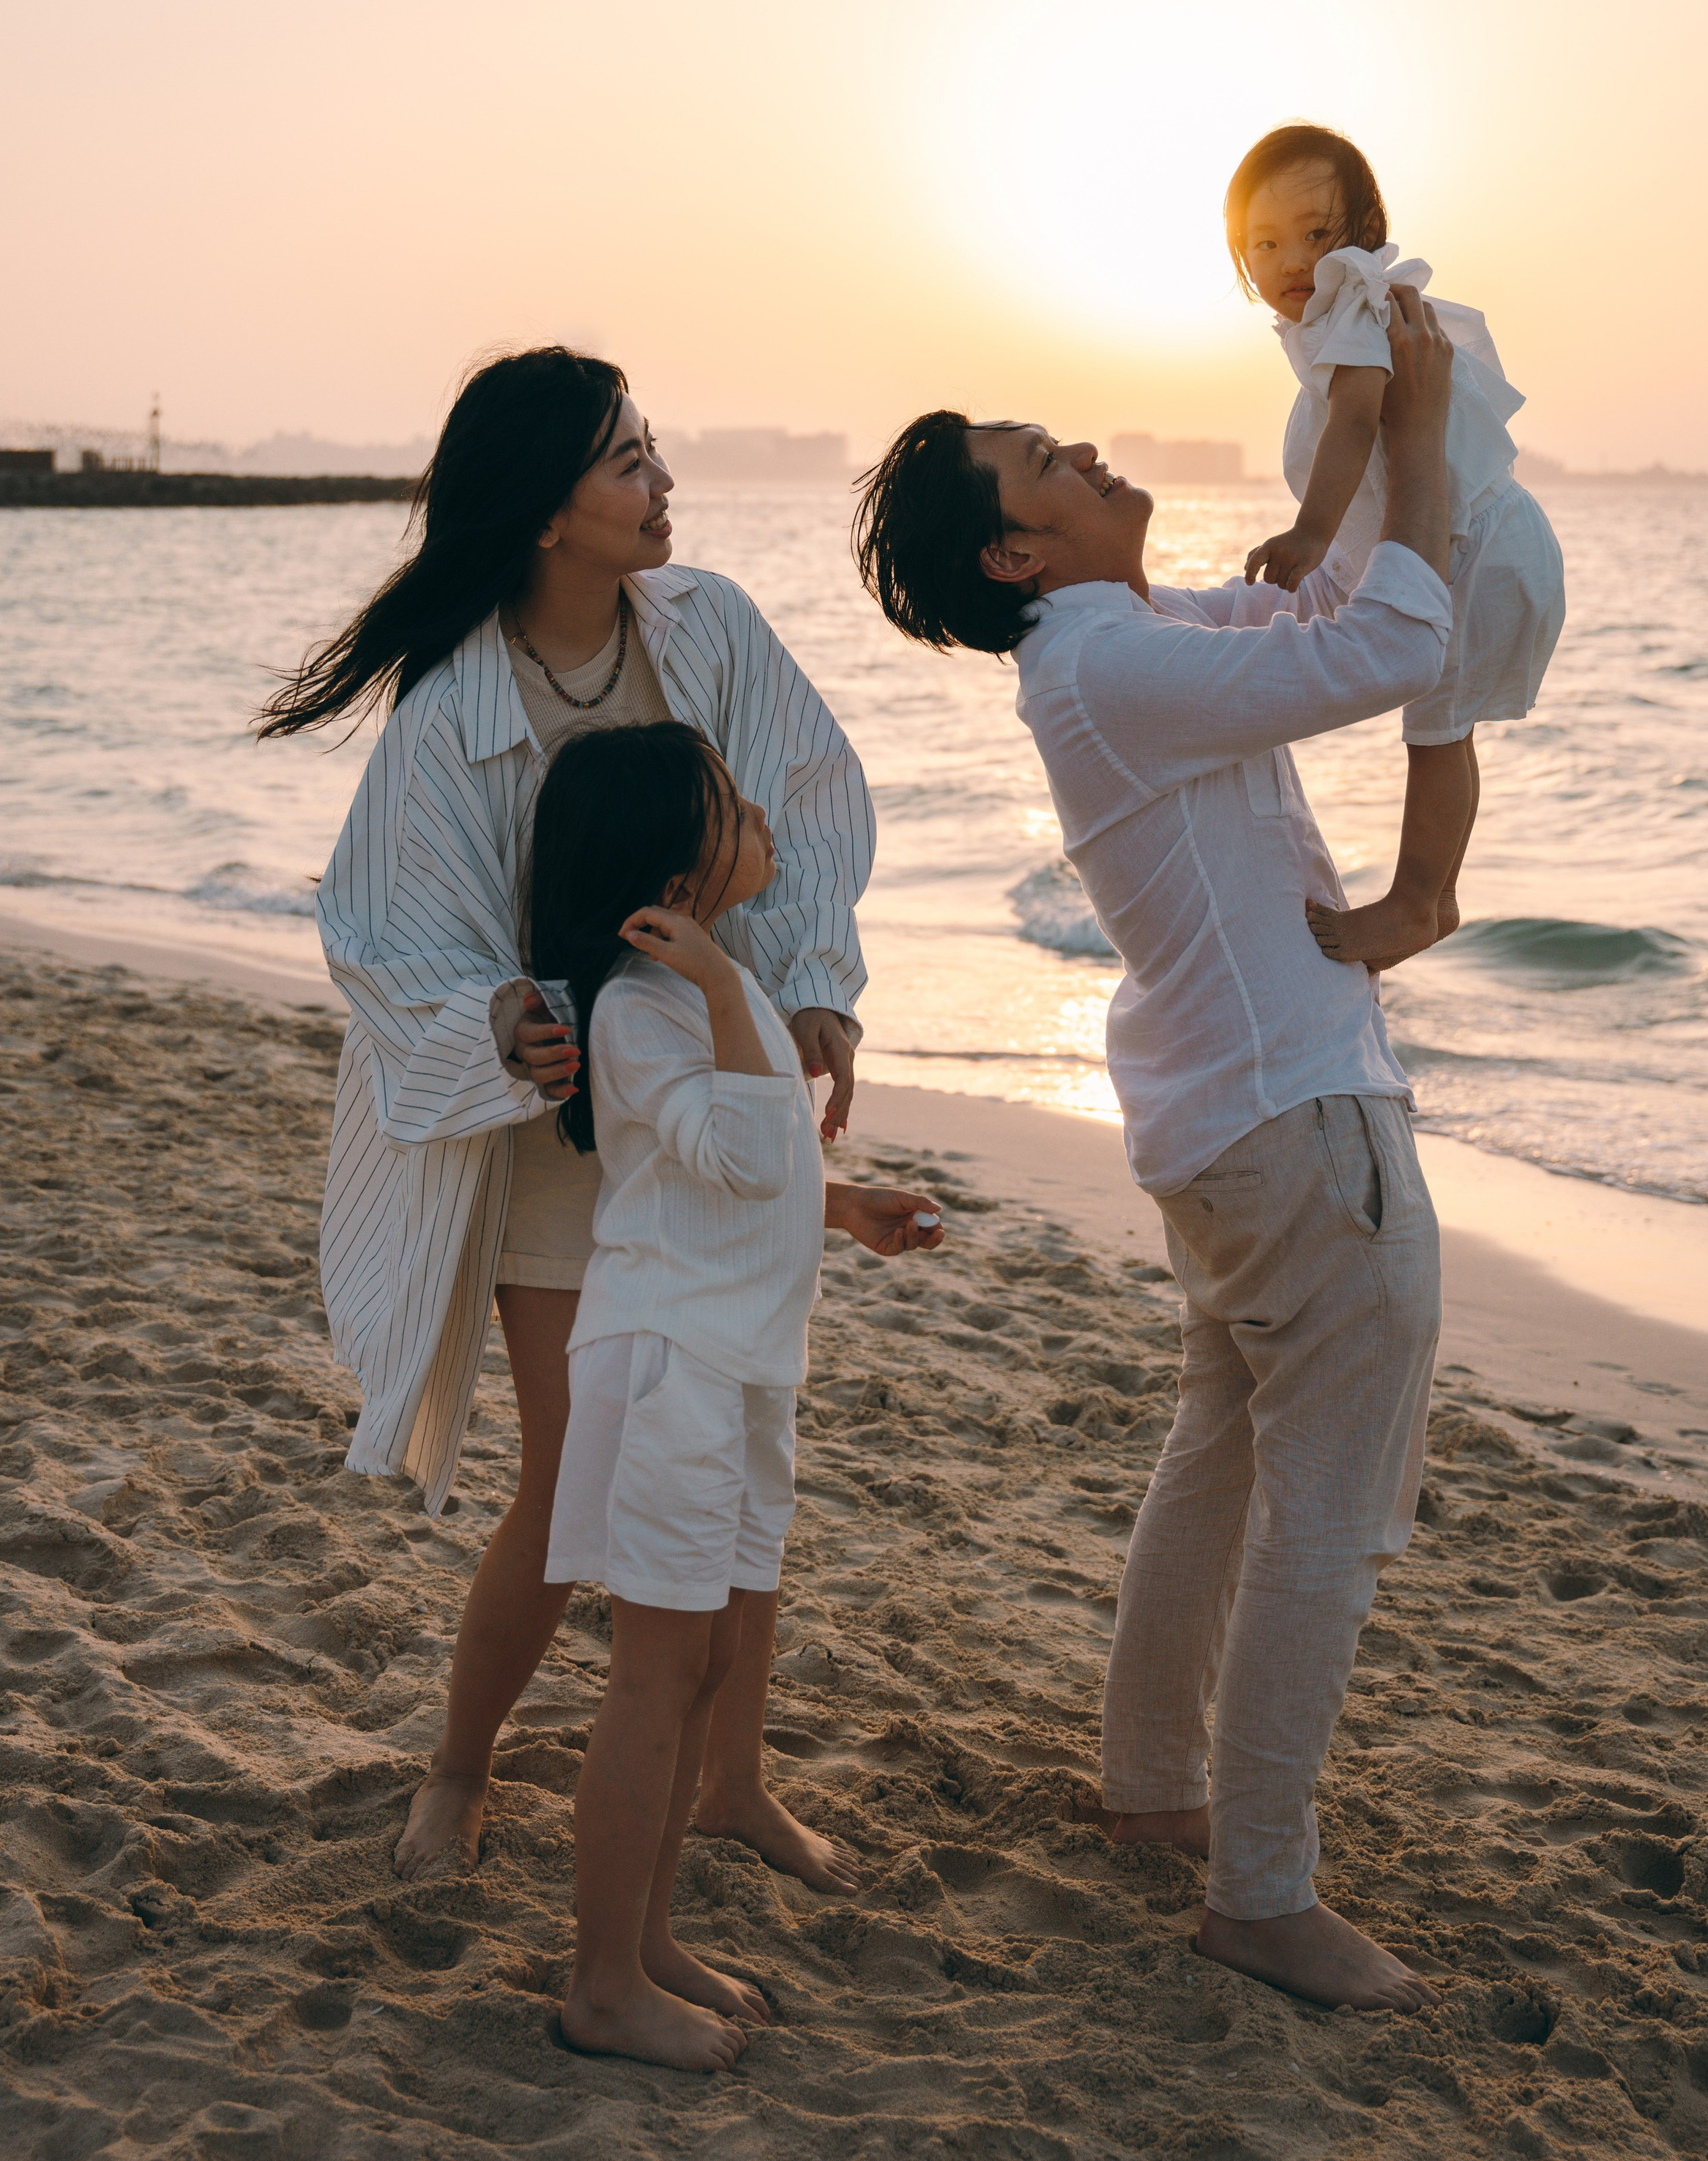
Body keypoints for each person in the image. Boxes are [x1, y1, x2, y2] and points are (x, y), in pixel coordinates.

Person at [851, 283, 1455, 2014]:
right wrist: (1415, 436)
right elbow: (1387, 651)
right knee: (1318, 1510)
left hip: (1227, 1117)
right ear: (1015, 561)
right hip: (1287, 1120)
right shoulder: (1108, 660)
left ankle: (1149, 1788)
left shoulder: (1115, 641)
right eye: (1042, 462)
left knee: (1217, 1447)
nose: (1085, 450)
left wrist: (1351, 420)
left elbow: (1328, 603)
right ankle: (1256, 1893)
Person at [259, 345, 876, 1890]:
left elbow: (798, 803)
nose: (662, 482)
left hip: (714, 1087)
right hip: (557, 1142)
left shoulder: (706, 627)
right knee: (567, 1478)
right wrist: (502, 1021)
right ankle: (454, 1773)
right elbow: (386, 929)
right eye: (627, 462)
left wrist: (809, 987)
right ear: (548, 512)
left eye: (653, 451)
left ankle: (732, 1779)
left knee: (742, 1439)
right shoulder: (453, 702)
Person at [526, 722, 941, 2067]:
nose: (760, 810)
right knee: (654, 1672)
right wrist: (709, 986)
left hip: (740, 1359)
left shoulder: (718, 990)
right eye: (729, 801)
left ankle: (646, 1940)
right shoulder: (640, 1007)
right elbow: (738, 1150)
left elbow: (748, 1172)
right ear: (679, 871)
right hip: (668, 1366)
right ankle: (601, 1980)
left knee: (704, 1658)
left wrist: (849, 1202)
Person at [1226, 122, 1565, 972]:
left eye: (1315, 233)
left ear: (1365, 227)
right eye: (1263, 243)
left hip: (1476, 548)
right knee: (1447, 729)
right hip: (1489, 542)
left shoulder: (1356, 302)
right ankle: (1435, 895)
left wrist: (1309, 530)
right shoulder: (1346, 310)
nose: (1292, 260)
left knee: (1438, 732)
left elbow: (1356, 419)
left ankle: (1417, 903)